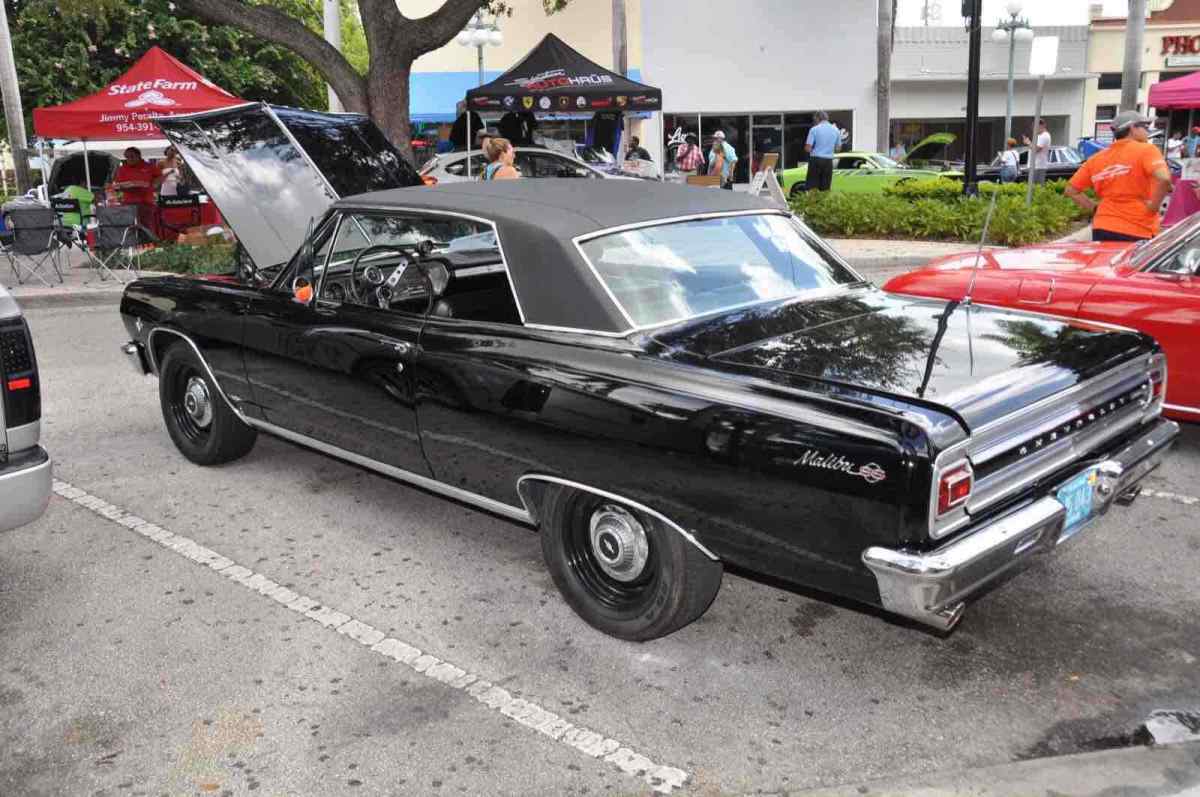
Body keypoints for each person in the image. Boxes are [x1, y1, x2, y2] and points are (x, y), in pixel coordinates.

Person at [1065, 110, 1173, 243]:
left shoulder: (1097, 158)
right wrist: (1154, 207)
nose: (1147, 131)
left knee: (1106, 264)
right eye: (1145, 126)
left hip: (1103, 226)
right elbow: (1164, 178)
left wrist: (1095, 207)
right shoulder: (1147, 150)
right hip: (1137, 227)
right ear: (1133, 128)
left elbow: (1071, 190)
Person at [804, 111, 839, 192]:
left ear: (817, 118)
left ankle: (813, 204)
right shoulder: (836, 130)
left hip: (816, 160)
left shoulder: (814, 129)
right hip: (828, 161)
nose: (814, 121)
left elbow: (807, 148)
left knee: (812, 186)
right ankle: (823, 204)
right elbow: (838, 148)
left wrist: (815, 150)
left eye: (814, 119)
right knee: (825, 187)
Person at [1023, 119, 1051, 184]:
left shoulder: (1044, 136)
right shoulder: (1040, 136)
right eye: (1033, 127)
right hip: (1036, 166)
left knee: (1035, 188)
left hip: (1038, 166)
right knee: (1034, 188)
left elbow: (1036, 149)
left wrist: (1028, 142)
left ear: (1042, 125)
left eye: (1035, 126)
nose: (1033, 129)